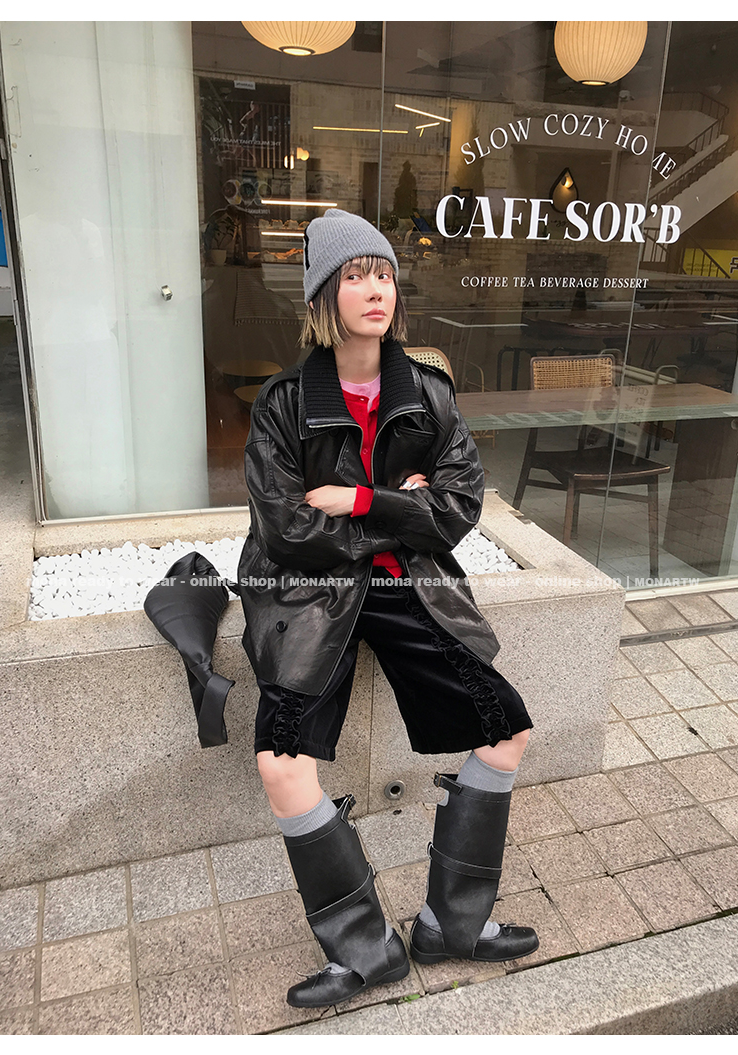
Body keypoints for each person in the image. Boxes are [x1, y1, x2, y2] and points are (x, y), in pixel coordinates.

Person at [238, 209, 538, 1010]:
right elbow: (286, 528)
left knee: (506, 730)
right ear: (322, 295)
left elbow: (459, 507)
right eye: (355, 276)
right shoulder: (283, 403)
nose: (376, 289)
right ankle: (365, 949)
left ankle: (451, 924)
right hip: (314, 593)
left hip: (408, 584)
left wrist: (361, 500)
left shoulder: (428, 395)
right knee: (280, 762)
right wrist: (404, 509)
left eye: (384, 274)